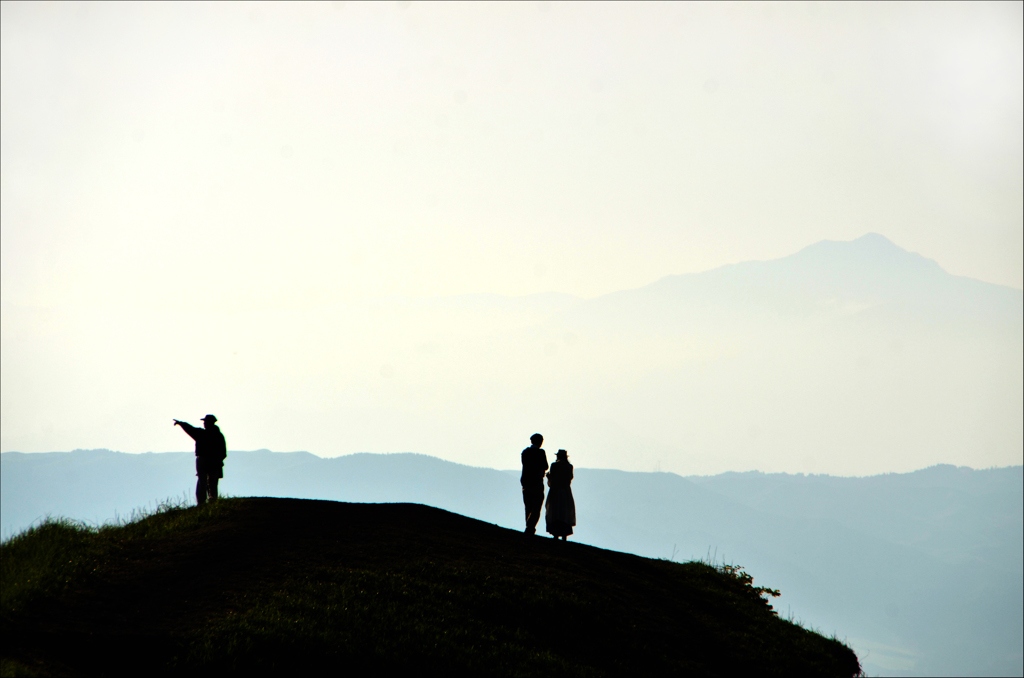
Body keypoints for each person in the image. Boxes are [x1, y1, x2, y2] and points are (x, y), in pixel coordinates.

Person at [174, 414, 227, 505]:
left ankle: (202, 503)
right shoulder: (219, 435)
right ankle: (213, 501)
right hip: (215, 461)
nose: (204, 424)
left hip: (204, 461)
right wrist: (218, 460)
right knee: (213, 483)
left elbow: (191, 429)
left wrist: (181, 424)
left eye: (205, 422)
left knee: (202, 482)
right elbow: (223, 453)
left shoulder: (202, 434)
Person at [521, 433, 549, 535]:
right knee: (536, 507)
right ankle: (530, 526)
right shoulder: (541, 453)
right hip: (537, 482)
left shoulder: (525, 452)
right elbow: (546, 466)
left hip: (526, 482)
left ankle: (529, 527)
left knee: (528, 506)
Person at [545, 449, 576, 541]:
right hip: (566, 491)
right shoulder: (569, 466)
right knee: (565, 513)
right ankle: (564, 536)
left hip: (555, 490)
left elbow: (552, 478)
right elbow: (570, 478)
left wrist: (549, 477)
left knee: (555, 512)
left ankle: (555, 534)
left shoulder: (554, 465)